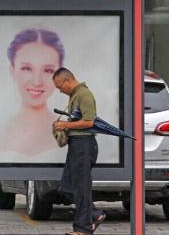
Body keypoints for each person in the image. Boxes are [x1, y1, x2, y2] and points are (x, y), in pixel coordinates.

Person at [0, 28, 65, 161]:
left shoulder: (75, 135)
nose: (37, 81)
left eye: (48, 70)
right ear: (12, 70)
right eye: (27, 69)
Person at [53, 68, 106, 235]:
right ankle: (94, 214)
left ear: (67, 80)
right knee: (67, 186)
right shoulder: (74, 96)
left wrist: (65, 125)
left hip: (84, 145)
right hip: (76, 145)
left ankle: (82, 229)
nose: (60, 91)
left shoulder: (84, 94)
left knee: (81, 188)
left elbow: (89, 122)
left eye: (60, 87)